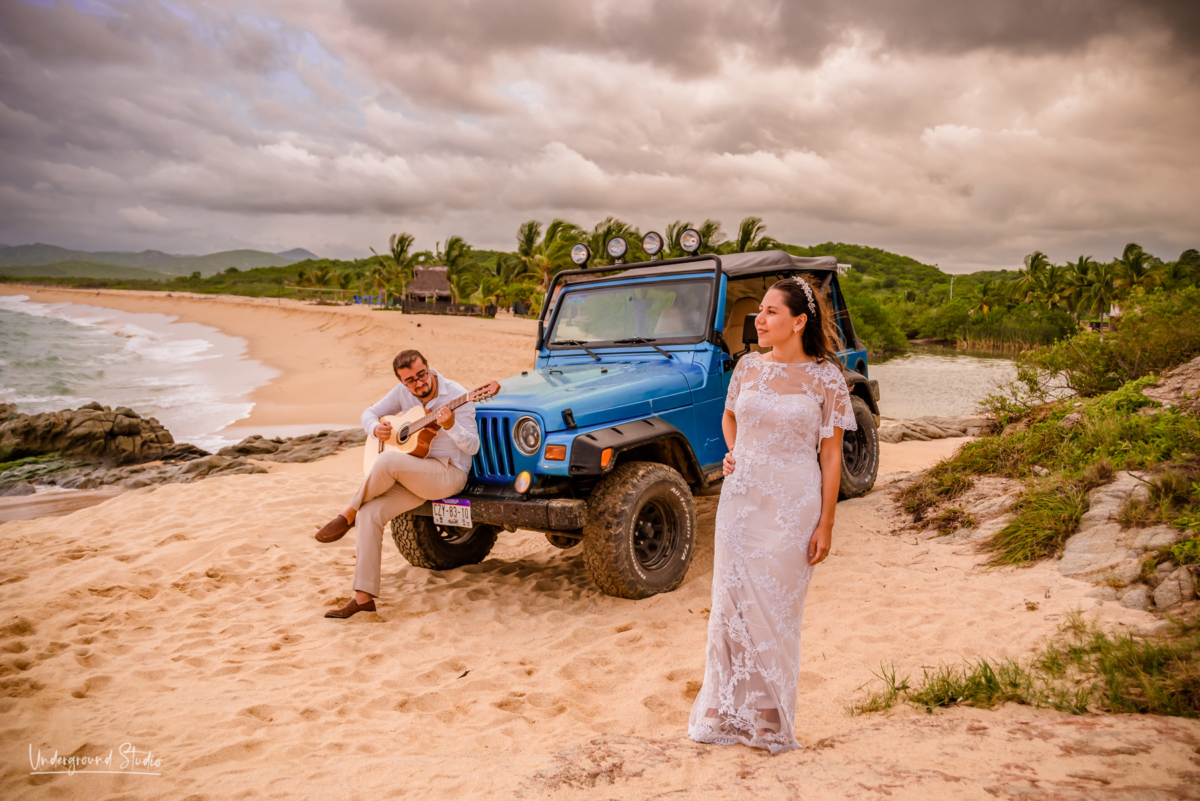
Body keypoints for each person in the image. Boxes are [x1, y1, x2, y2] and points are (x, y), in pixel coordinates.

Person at [687, 275, 857, 754]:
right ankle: (723, 711)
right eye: (759, 312)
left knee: (775, 613)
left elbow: (830, 456)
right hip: (741, 503)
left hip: (792, 505)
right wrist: (736, 452)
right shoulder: (746, 368)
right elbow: (728, 416)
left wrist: (826, 522)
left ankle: (768, 720)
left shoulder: (827, 379)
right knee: (732, 606)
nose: (758, 320)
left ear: (799, 321)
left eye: (770, 313)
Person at [314, 350, 479, 619]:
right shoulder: (403, 392)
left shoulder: (457, 395)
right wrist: (373, 428)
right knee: (371, 513)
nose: (418, 384)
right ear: (402, 382)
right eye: (410, 381)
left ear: (429, 367)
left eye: (421, 375)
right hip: (416, 471)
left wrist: (450, 425)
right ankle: (363, 598)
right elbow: (369, 413)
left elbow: (473, 446)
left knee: (388, 461)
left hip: (449, 474)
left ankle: (348, 513)